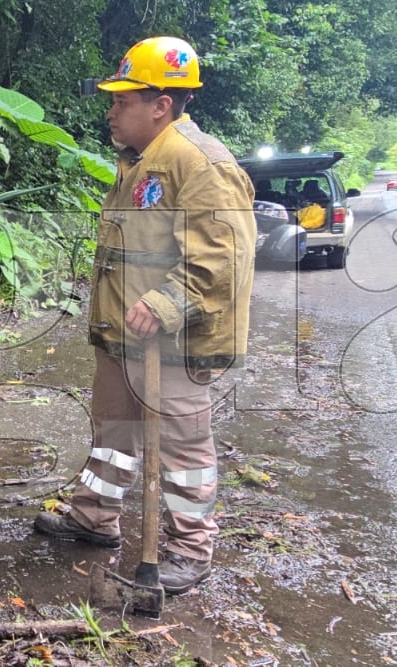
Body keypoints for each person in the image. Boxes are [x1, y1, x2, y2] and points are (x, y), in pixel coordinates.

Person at [33, 36, 256, 595]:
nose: (111, 111)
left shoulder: (199, 162)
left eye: (123, 101)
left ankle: (189, 547)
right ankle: (93, 517)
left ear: (161, 103)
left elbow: (225, 252)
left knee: (183, 447)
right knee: (113, 431)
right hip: (124, 335)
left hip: (177, 342)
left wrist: (165, 302)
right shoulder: (139, 161)